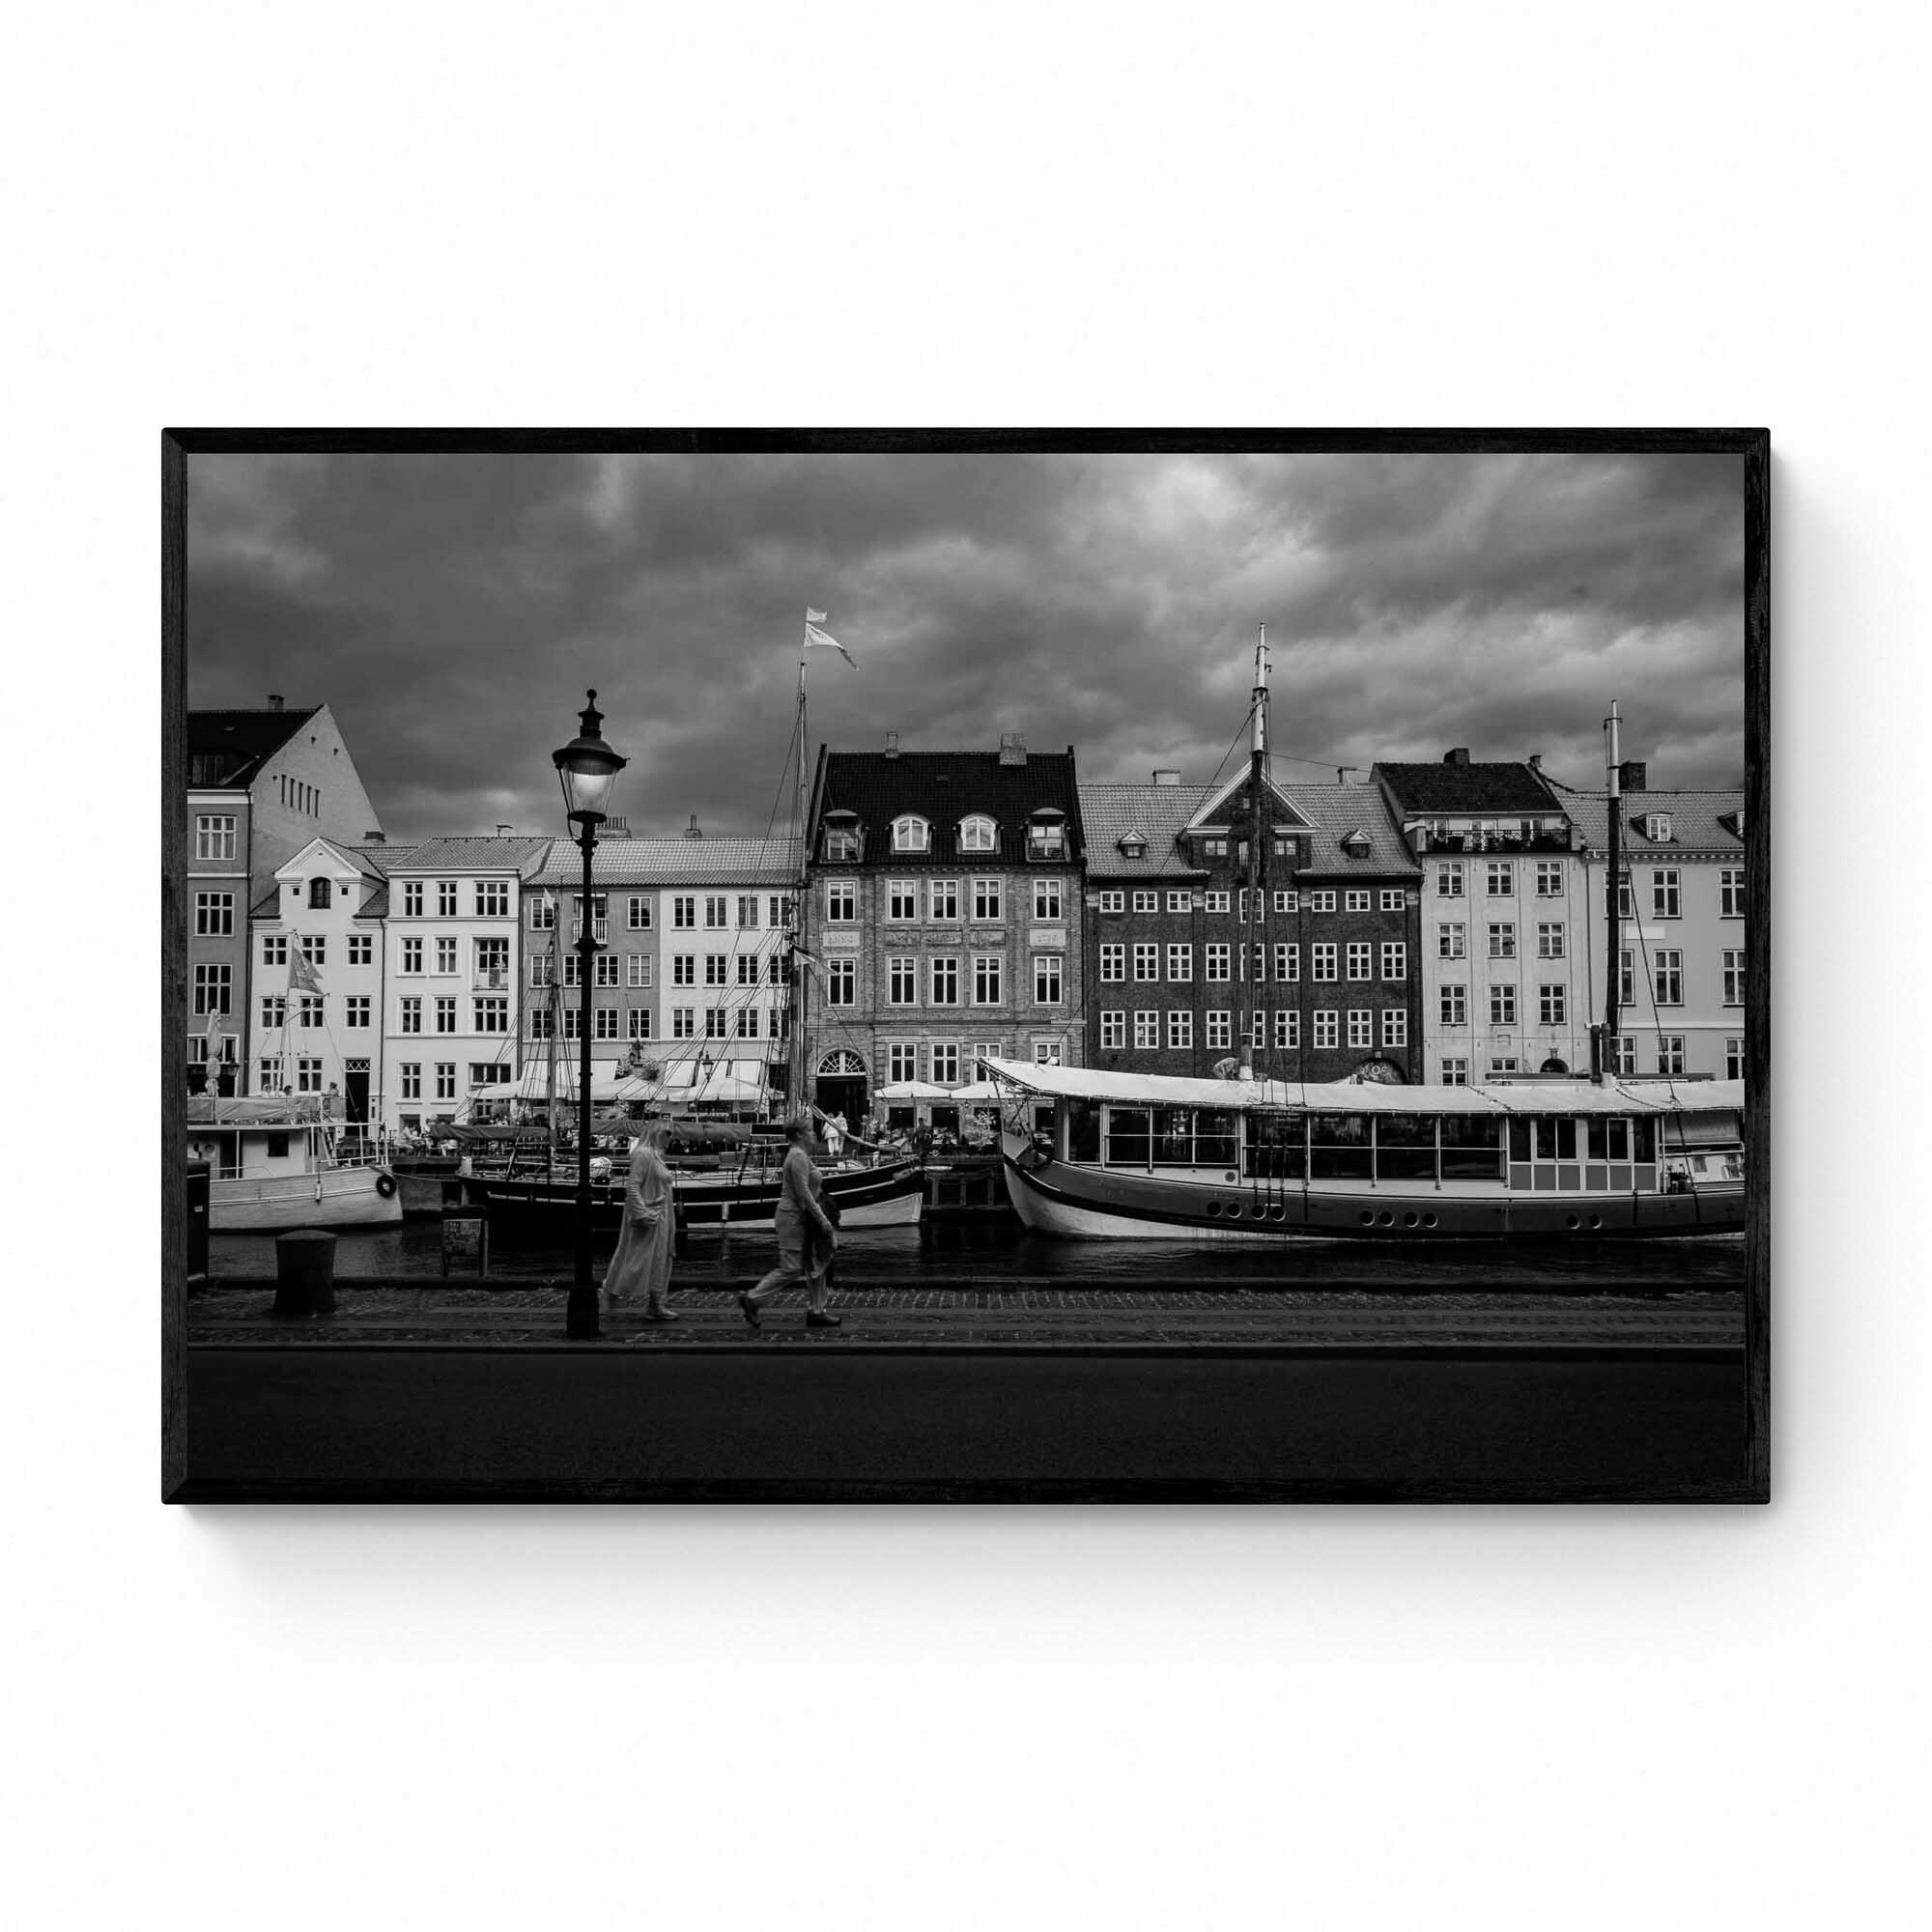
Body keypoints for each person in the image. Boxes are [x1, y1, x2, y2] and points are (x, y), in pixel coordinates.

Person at [740, 1115, 839, 1329]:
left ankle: (817, 1310)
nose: (814, 1133)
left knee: (817, 1263)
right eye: (810, 1131)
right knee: (793, 1267)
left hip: (802, 1217)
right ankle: (753, 1298)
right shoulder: (797, 1157)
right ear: (799, 1134)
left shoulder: (800, 1155)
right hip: (793, 1217)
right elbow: (803, 1193)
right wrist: (823, 1220)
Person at [601, 1122, 679, 1323]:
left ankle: (656, 1304)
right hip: (649, 1216)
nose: (670, 1138)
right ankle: (610, 1291)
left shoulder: (656, 1155)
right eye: (666, 1134)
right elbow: (633, 1185)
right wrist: (641, 1212)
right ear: (656, 1133)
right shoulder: (643, 1154)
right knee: (634, 1259)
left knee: (660, 1260)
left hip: (661, 1216)